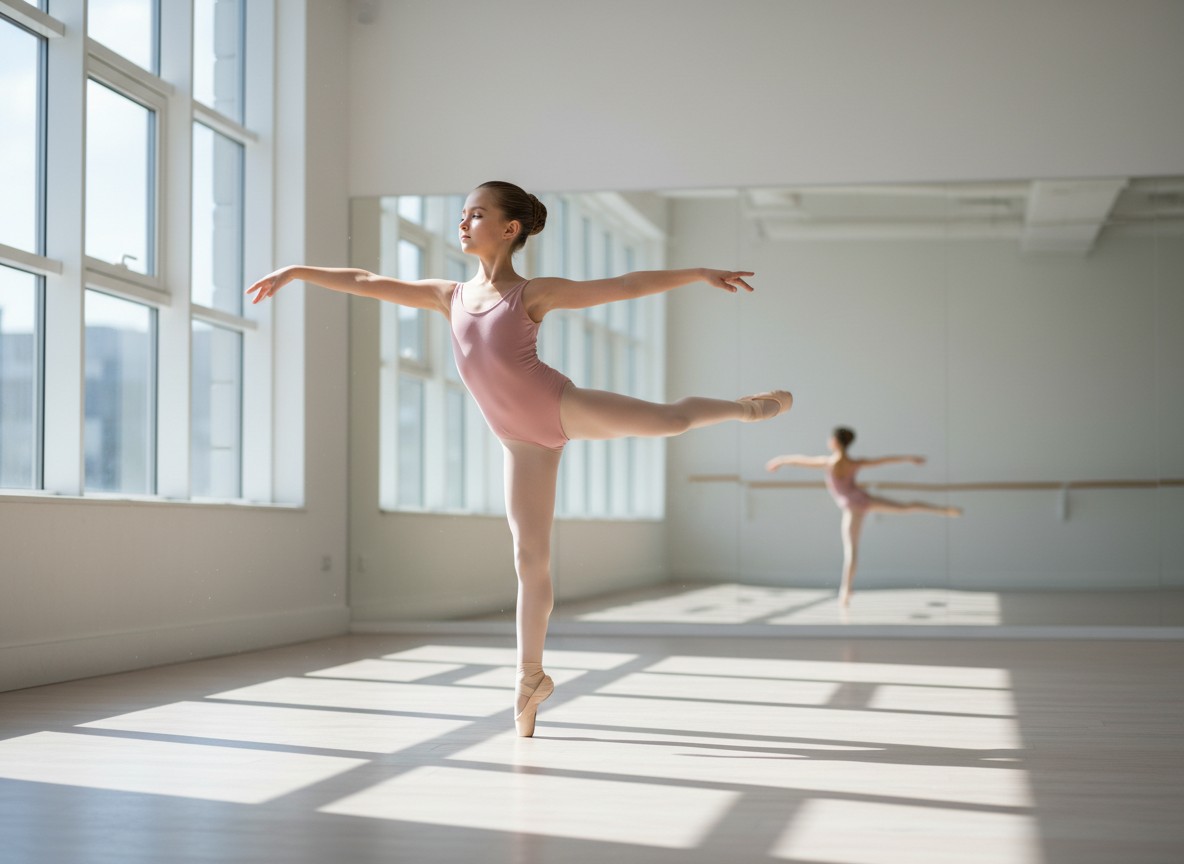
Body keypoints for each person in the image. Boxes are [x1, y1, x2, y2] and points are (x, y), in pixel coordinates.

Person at [247, 180, 793, 736]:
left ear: (510, 229)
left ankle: (746, 409)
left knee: (670, 421)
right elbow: (366, 281)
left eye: (476, 214)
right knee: (530, 560)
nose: (462, 223)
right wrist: (296, 272)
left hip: (556, 407)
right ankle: (530, 676)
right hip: (517, 439)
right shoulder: (447, 295)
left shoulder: (531, 293)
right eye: (462, 214)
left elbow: (625, 283)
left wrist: (697, 274)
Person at [765, 426, 960, 607]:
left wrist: (780, 460)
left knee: (851, 550)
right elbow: (882, 460)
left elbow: (800, 460)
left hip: (852, 508)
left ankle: (845, 592)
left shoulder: (829, 462)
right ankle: (942, 510)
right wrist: (908, 458)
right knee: (904, 507)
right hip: (863, 500)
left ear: (834, 441)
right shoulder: (853, 463)